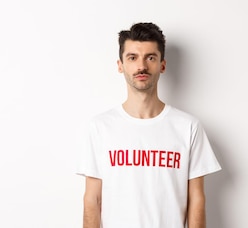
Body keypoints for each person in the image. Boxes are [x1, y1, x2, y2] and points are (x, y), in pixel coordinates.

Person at [76, 22, 221, 228]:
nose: (141, 66)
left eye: (150, 57)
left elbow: (196, 199)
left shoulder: (188, 127)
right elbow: (92, 199)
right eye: (132, 57)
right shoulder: (100, 127)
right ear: (120, 65)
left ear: (162, 64)